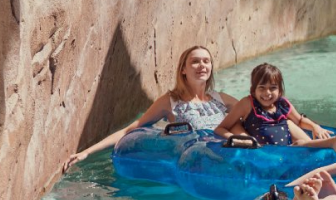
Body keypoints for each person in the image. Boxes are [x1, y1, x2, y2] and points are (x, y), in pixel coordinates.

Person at [64, 46, 240, 172]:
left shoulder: (221, 99)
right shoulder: (170, 101)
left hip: (227, 161)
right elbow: (130, 129)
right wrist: (86, 152)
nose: (202, 65)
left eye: (206, 61)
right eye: (195, 62)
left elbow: (252, 114)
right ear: (183, 70)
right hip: (197, 166)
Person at [216, 63, 336, 153]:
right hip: (264, 152)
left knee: (300, 142)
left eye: (273, 88)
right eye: (262, 88)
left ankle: (335, 142)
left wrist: (315, 127)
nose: (267, 93)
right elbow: (221, 128)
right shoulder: (247, 104)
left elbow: (299, 121)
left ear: (280, 90)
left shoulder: (282, 104)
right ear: (253, 90)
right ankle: (334, 142)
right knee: (299, 143)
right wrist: (241, 140)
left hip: (286, 151)